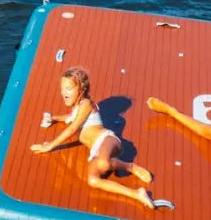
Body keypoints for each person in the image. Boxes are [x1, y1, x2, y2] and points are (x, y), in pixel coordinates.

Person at [31, 67, 169, 211]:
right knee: (93, 180)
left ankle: (130, 167)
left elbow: (72, 128)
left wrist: (49, 146)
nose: (64, 92)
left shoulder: (86, 104)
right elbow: (70, 119)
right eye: (62, 89)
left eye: (69, 88)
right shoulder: (77, 109)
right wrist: (54, 118)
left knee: (103, 163)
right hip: (95, 152)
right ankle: (137, 194)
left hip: (107, 140)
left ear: (82, 90)